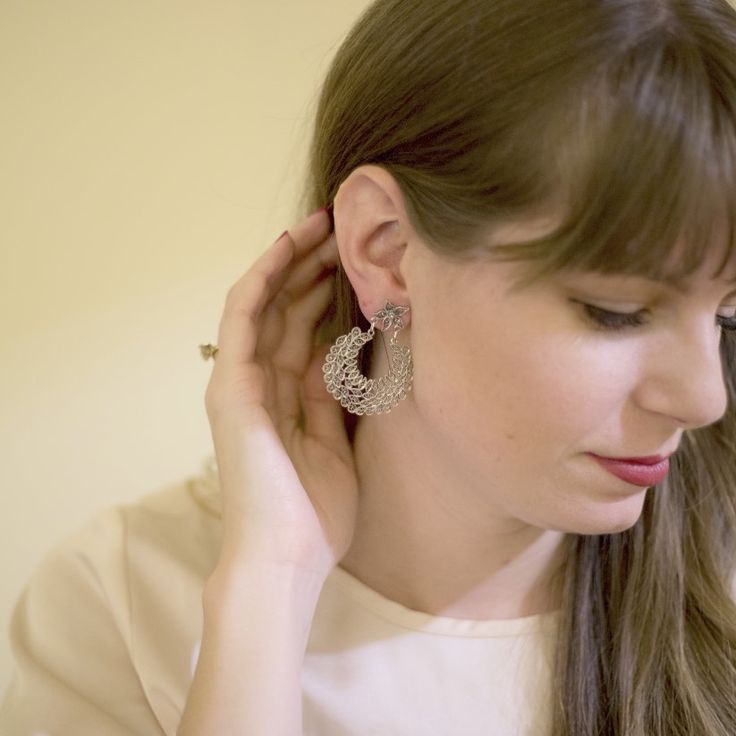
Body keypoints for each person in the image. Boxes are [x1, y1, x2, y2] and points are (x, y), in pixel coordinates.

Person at [3, 0, 736, 733]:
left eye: (729, 314)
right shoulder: (122, 603)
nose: (705, 398)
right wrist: (271, 587)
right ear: (387, 249)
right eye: (616, 311)